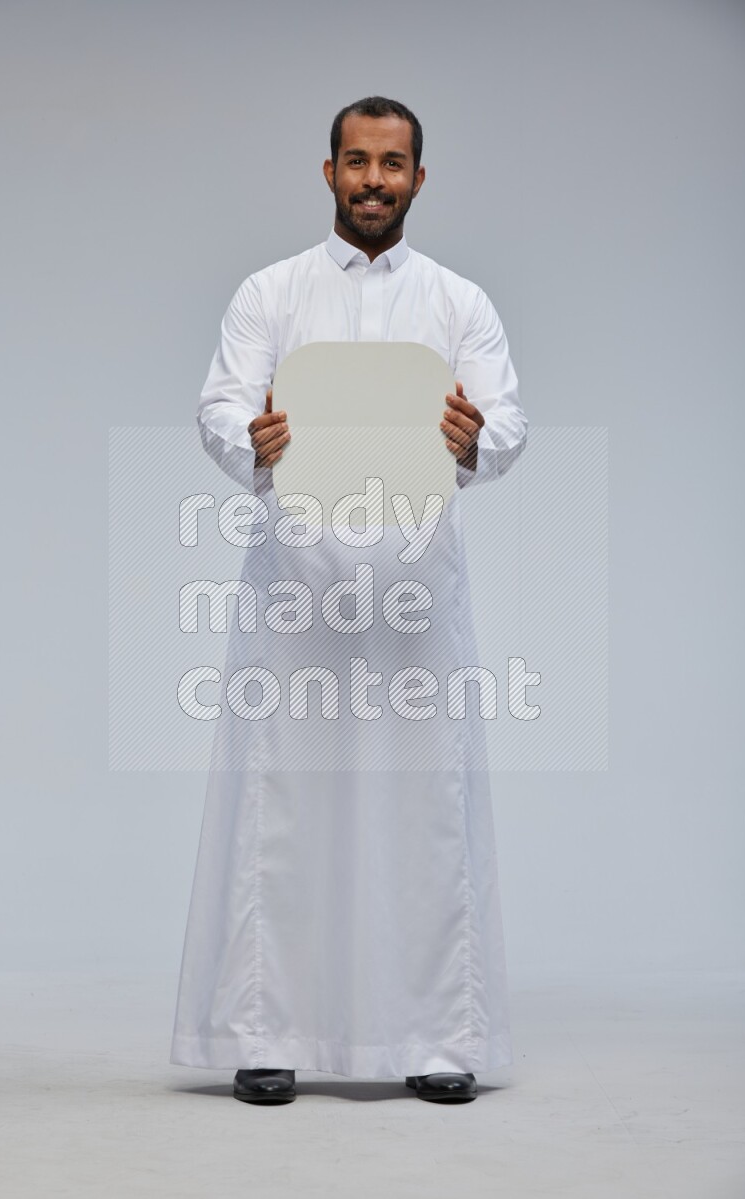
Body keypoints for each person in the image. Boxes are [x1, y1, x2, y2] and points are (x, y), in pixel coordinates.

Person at [170, 96, 527, 1105]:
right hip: (297, 585)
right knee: (284, 799)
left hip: (415, 589)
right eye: (357, 162)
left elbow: (506, 422)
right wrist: (254, 437)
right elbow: (218, 404)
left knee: (426, 808)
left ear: (420, 177)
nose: (375, 180)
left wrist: (471, 440)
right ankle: (266, 1029)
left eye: (394, 164)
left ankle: (435, 1035)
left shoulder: (459, 303)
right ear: (326, 171)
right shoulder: (270, 293)